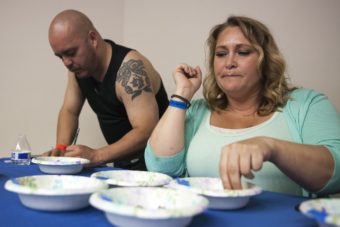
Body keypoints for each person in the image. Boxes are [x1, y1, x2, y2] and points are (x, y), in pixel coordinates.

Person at [145, 16, 340, 196]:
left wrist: (271, 147)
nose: (229, 62)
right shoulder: (197, 110)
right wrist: (183, 93)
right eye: (221, 54)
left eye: (243, 52)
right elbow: (160, 169)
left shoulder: (306, 104)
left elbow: (336, 175)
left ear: (266, 61)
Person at [45, 9, 168, 170]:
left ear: (92, 39)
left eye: (71, 53)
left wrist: (96, 156)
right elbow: (69, 110)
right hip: (122, 165)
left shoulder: (129, 69)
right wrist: (61, 149)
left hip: (158, 166)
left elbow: (147, 130)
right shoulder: (78, 69)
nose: (66, 63)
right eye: (60, 56)